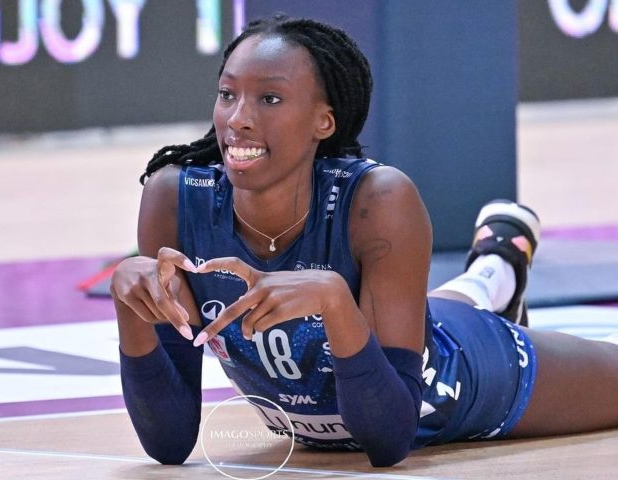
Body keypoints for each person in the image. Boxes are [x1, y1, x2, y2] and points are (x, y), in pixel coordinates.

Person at [111, 15, 618, 468]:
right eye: (227, 94)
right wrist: (129, 309)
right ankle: (499, 260)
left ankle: (497, 266)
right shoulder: (176, 199)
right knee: (420, 308)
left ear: (323, 121)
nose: (238, 118)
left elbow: (389, 437)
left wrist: (335, 301)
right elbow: (170, 442)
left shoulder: (376, 199)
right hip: (326, 407)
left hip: (459, 382)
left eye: (269, 98)